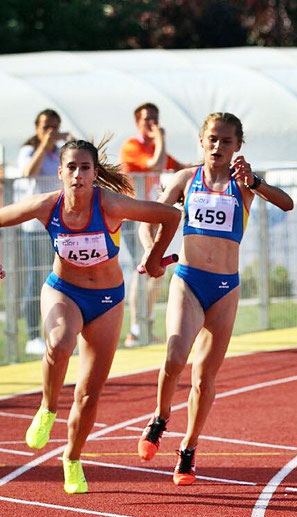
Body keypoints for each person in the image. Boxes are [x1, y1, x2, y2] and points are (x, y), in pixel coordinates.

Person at [6, 139, 181, 493]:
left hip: (106, 301)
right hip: (64, 291)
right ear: (60, 173)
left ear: (95, 173)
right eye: (71, 167)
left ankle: (72, 458)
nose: (78, 175)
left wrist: (153, 256)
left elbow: (170, 215)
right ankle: (47, 408)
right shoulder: (47, 206)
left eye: (85, 168)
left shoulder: (111, 205)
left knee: (88, 393)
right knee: (59, 341)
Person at [136, 112, 293, 486]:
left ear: (238, 146)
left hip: (225, 289)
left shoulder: (244, 186)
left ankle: (188, 449)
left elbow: (286, 203)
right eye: (212, 139)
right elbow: (149, 219)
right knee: (175, 357)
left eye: (226, 141)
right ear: (201, 142)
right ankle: (160, 417)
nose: (218, 147)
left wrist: (255, 181)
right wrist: (150, 252)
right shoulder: (184, 179)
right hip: (188, 280)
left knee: (205, 377)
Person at [119, 102, 185, 348]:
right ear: (137, 122)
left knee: (156, 268)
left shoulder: (156, 147)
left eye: (156, 119)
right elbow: (155, 165)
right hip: (133, 216)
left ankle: (146, 324)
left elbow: (178, 168)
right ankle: (136, 329)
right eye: (148, 120)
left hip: (152, 215)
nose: (153, 124)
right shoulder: (132, 146)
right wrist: (161, 138)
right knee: (144, 267)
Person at [17, 109, 73, 356]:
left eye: (54, 126)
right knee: (35, 279)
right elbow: (29, 172)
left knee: (61, 280)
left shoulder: (59, 154)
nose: (50, 130)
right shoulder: (28, 151)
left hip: (59, 227)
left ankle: (61, 331)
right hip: (35, 229)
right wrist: (44, 144)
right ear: (36, 127)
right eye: (45, 126)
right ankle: (32, 335)